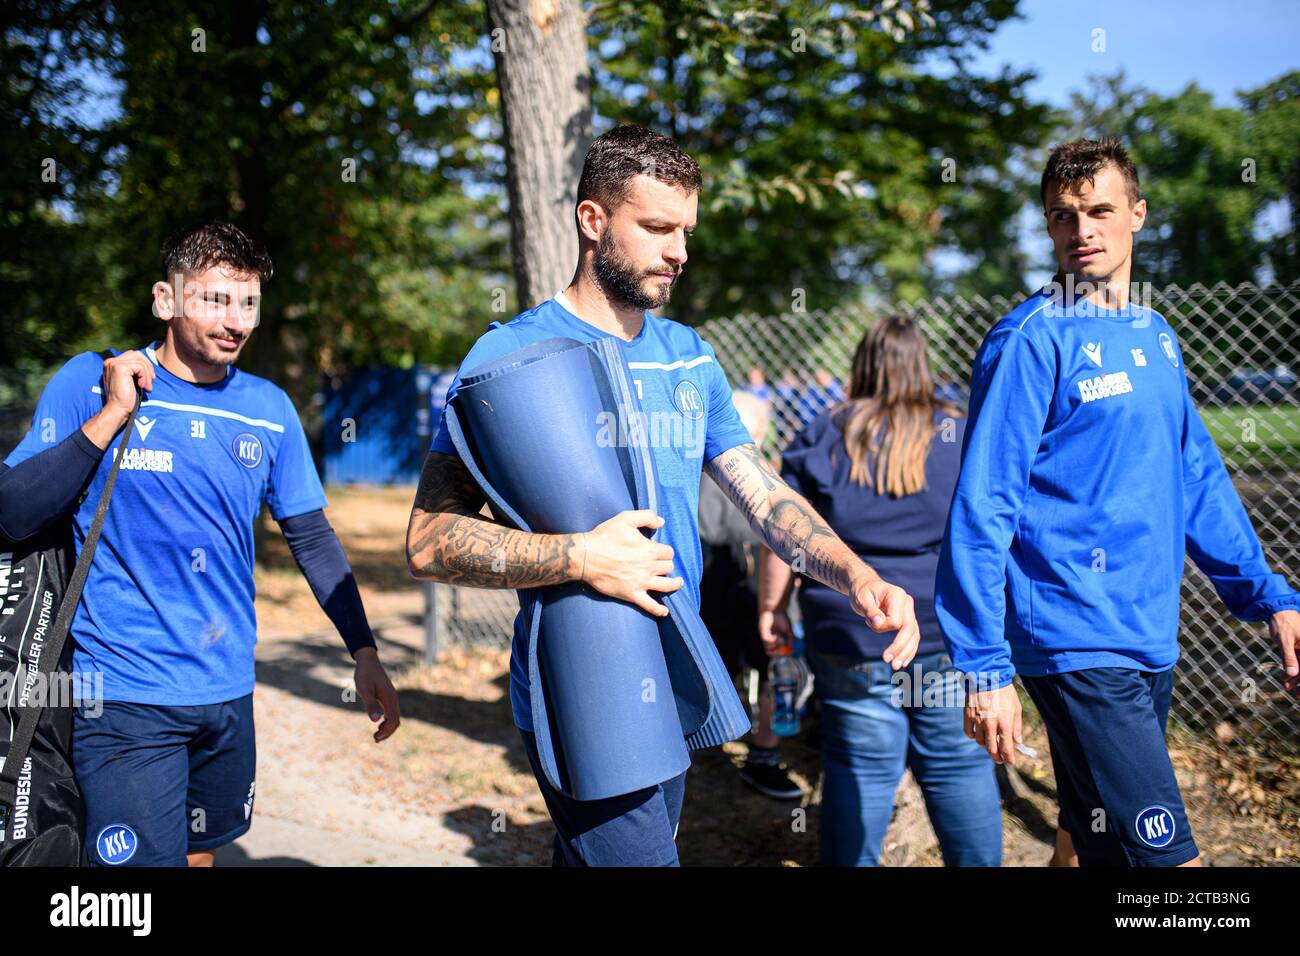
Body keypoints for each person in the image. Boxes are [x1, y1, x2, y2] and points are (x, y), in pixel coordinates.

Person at [406, 124, 920, 867]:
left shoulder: (690, 357)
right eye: (656, 227)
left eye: (686, 230)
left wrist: (856, 574)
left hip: (677, 658)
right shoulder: (507, 356)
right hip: (584, 670)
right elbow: (427, 539)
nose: (679, 250)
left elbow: (762, 493)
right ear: (593, 220)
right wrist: (580, 558)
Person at [935, 138, 1300, 868]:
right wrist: (983, 667)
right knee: (1170, 866)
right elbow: (982, 509)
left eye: (1100, 210)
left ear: (1137, 214)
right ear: (1048, 228)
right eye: (1063, 216)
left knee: (1087, 833)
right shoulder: (1029, 341)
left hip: (1147, 631)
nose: (1083, 231)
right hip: (1075, 636)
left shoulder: (1156, 336)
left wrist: (1267, 595)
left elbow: (1195, 477)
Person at [0, 222, 400, 867]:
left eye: (249, 302)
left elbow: (311, 538)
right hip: (122, 696)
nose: (236, 319)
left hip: (226, 691)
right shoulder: (92, 380)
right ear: (166, 300)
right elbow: (14, 513)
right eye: (216, 299)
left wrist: (365, 650)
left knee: (202, 853)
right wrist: (111, 416)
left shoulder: (268, 408)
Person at [759, 317, 1002, 867]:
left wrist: (773, 607)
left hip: (852, 632)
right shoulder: (958, 433)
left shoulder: (824, 431)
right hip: (943, 635)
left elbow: (784, 530)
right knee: (958, 765)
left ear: (862, 364)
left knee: (858, 768)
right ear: (923, 364)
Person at [698, 390, 801, 800]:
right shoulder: (703, 478)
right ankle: (724, 738)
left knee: (771, 665)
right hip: (718, 592)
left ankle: (761, 750)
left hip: (754, 593)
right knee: (725, 661)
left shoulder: (766, 478)